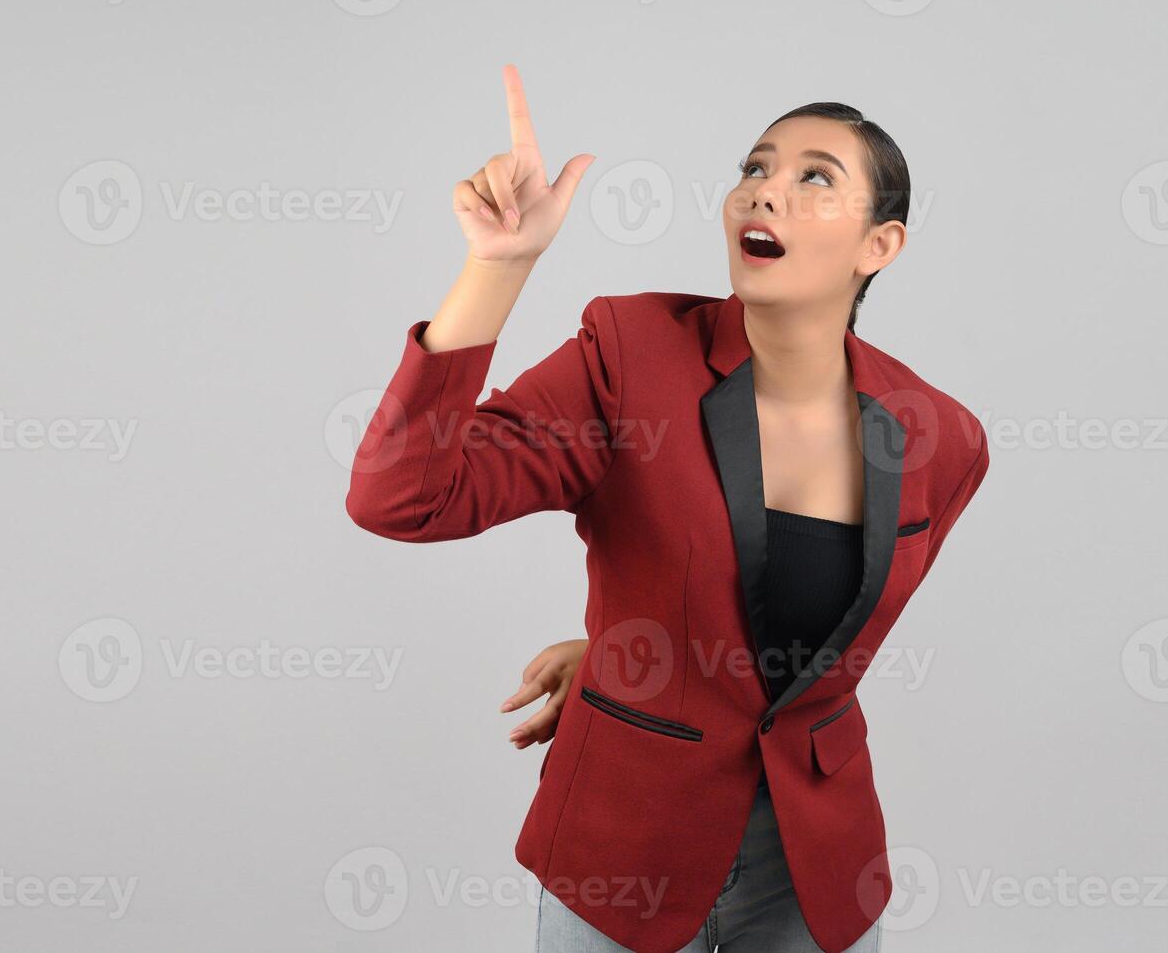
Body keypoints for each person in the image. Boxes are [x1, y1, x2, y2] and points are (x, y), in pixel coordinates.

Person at [345, 64, 990, 952]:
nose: (765, 193)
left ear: (877, 246)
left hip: (813, 864)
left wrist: (638, 645)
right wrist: (498, 268)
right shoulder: (630, 355)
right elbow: (405, 497)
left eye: (813, 178)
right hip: (624, 849)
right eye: (754, 169)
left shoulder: (940, 438)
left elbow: (817, 639)